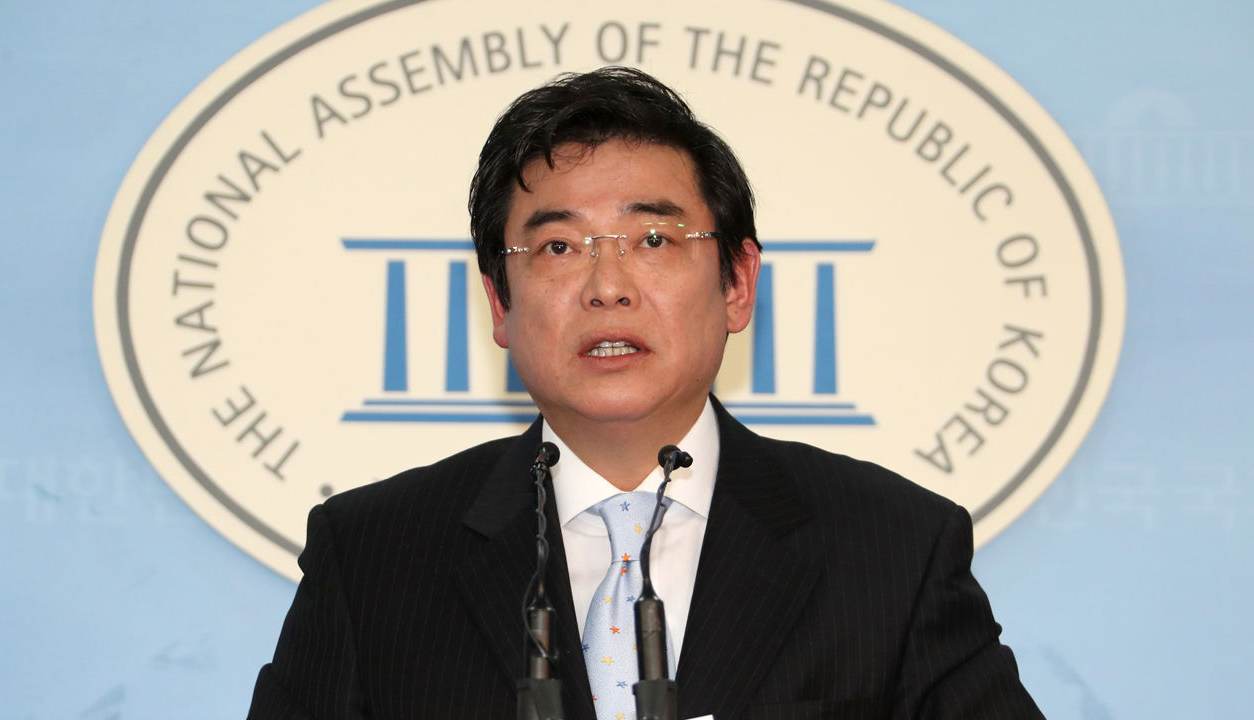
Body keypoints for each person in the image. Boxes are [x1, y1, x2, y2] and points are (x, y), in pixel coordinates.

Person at [248, 66, 1043, 719]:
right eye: (558, 246)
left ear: (737, 283)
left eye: (654, 239)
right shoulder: (375, 556)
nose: (608, 286)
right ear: (499, 304)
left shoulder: (891, 548)